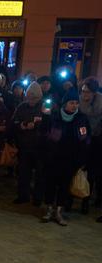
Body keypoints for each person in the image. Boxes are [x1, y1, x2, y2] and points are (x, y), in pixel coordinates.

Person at [42, 87, 91, 226]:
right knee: (50, 184)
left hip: (71, 159)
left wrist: (82, 159)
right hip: (53, 158)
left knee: (64, 186)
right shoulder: (55, 117)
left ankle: (59, 211)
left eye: (76, 103)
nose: (74, 105)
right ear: (65, 103)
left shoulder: (81, 119)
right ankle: (49, 209)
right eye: (71, 103)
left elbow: (86, 140)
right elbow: (45, 135)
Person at [11, 81, 47, 205]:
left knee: (40, 175)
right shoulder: (21, 107)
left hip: (40, 147)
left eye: (34, 98)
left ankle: (37, 198)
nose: (31, 100)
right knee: (23, 173)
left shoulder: (45, 108)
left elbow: (50, 125)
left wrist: (38, 125)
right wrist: (22, 125)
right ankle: (23, 196)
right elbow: (14, 123)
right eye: (29, 97)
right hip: (24, 146)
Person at [79, 77, 102, 215]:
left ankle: (97, 197)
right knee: (85, 170)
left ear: (94, 92)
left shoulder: (100, 103)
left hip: (99, 140)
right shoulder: (80, 101)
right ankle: (84, 200)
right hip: (85, 138)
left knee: (96, 172)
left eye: (87, 92)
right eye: (83, 91)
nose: (84, 94)